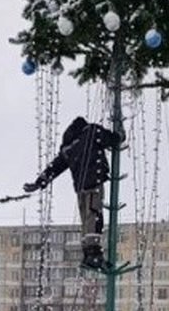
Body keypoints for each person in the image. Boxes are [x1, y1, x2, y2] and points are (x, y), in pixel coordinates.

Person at [23, 116, 122, 271]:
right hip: (93, 182)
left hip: (80, 188)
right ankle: (94, 255)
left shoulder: (68, 148)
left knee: (87, 220)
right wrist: (118, 137)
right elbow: (110, 140)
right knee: (94, 217)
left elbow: (55, 167)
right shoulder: (91, 132)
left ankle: (88, 254)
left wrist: (40, 182)